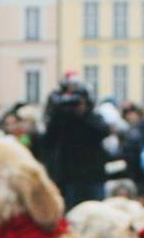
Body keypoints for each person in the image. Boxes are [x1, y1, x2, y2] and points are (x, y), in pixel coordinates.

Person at [37, 76, 110, 209]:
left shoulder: (93, 118)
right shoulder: (62, 120)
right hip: (69, 177)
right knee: (72, 212)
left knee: (96, 210)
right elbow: (47, 140)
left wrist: (83, 114)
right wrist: (56, 113)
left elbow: (103, 131)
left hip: (93, 176)